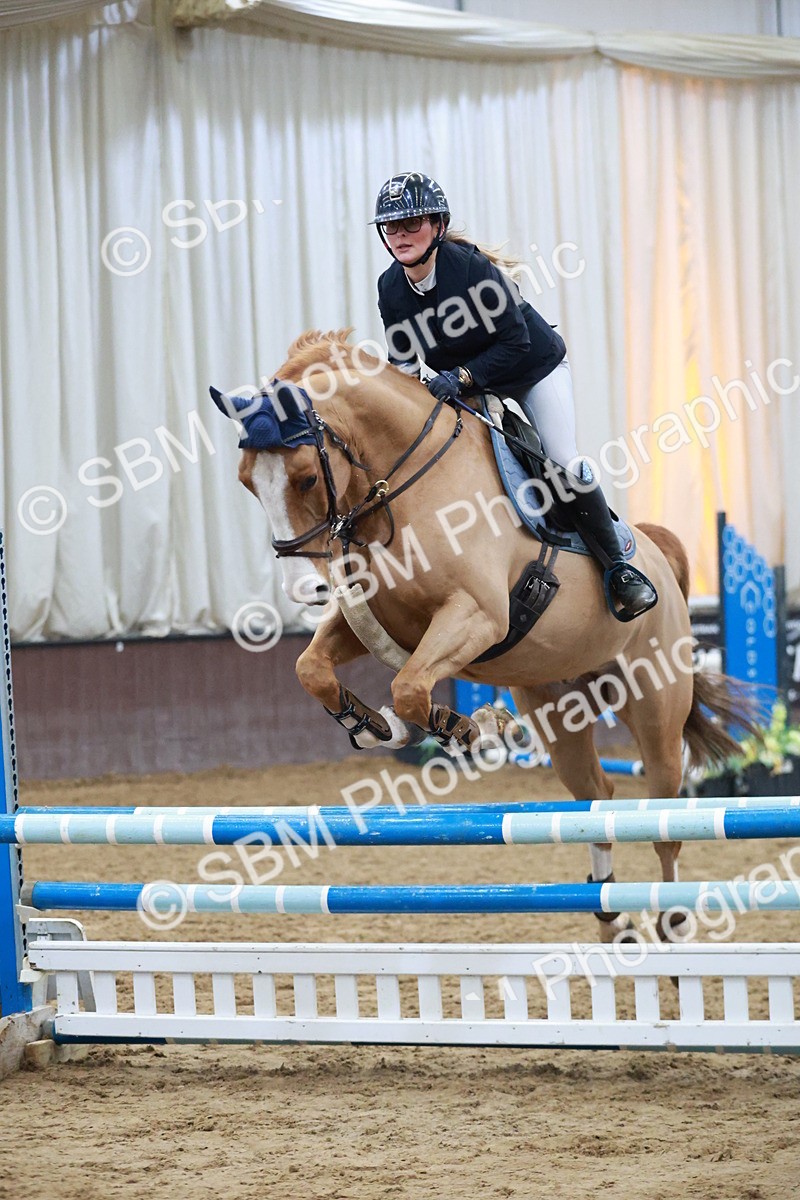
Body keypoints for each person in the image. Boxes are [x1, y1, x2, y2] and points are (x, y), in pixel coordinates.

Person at [372, 170, 657, 621]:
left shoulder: (472, 270)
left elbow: (516, 343)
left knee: (563, 460)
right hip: (470, 384)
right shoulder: (391, 288)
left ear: (438, 226)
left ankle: (619, 568)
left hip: (532, 368)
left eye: (412, 224)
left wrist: (461, 376)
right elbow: (404, 369)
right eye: (391, 227)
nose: (401, 235)